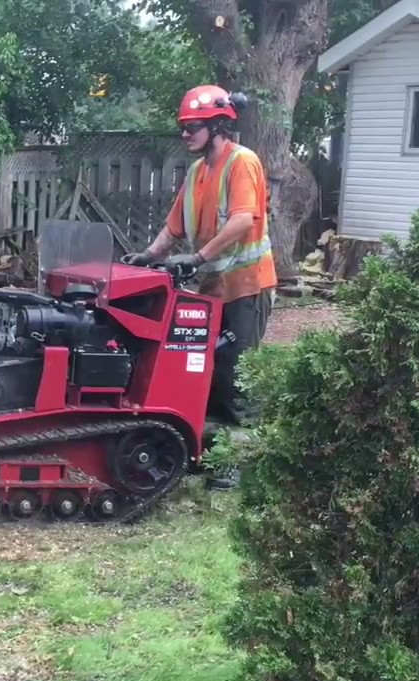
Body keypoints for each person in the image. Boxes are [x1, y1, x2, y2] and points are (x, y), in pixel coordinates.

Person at [121, 84, 278, 489]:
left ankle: (238, 468)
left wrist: (197, 258)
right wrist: (148, 256)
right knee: (200, 373)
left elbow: (244, 220)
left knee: (235, 378)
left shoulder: (242, 163)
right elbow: (173, 227)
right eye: (184, 128)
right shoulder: (197, 172)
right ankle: (207, 456)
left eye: (193, 127)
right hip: (211, 291)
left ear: (218, 126)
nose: (185, 135)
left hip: (245, 287)